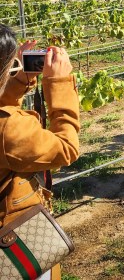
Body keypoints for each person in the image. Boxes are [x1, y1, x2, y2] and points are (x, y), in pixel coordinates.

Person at [0, 24, 80, 280]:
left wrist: (18, 80)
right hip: (15, 241)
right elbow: (66, 148)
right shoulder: (9, 130)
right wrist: (59, 85)